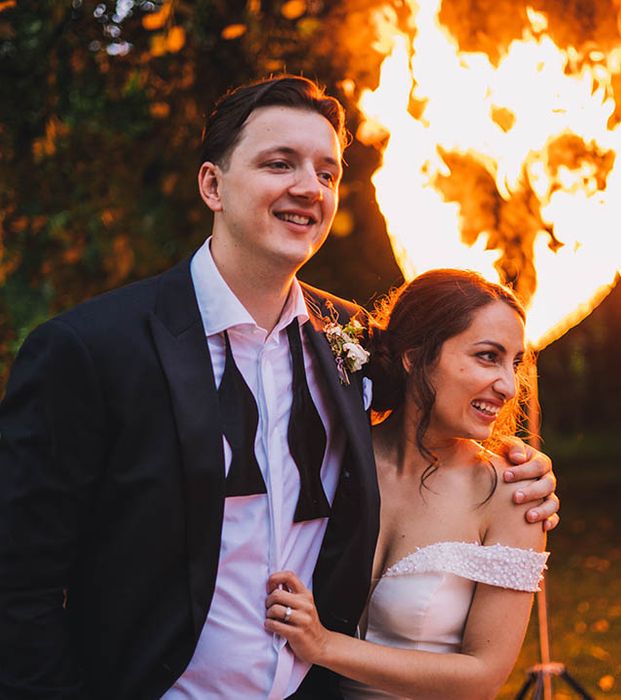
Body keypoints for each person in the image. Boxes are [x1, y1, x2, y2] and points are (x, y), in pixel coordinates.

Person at [0, 75, 557, 699]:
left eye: (326, 172)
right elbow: (20, 585)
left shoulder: (349, 338)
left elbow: (438, 400)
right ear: (212, 184)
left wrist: (525, 465)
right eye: (279, 163)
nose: (307, 188)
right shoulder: (91, 350)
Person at [265, 269, 547, 700]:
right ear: (415, 357)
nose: (509, 386)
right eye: (488, 356)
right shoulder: (335, 460)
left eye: (515, 362)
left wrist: (324, 645)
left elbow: (484, 675)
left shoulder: (513, 493)